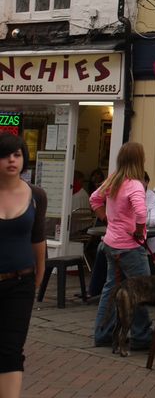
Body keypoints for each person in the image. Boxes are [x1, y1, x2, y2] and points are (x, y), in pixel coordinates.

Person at [90, 142, 152, 349]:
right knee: (141, 290)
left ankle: (103, 333)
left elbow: (94, 199)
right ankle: (142, 336)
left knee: (110, 289)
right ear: (139, 160)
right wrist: (139, 230)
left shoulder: (113, 180)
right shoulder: (135, 184)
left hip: (111, 244)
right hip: (130, 247)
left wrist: (107, 219)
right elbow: (141, 213)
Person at [0, 135, 46, 398]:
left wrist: (39, 274)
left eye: (17, 155)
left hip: (21, 283)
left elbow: (38, 239)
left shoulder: (36, 195)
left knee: (11, 350)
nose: (11, 160)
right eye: (5, 155)